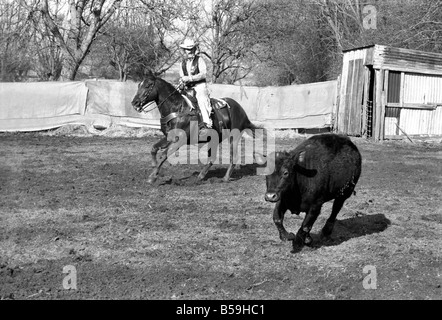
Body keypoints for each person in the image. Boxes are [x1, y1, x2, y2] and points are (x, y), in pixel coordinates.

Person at [179, 39, 212, 134]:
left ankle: (207, 124)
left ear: (194, 49)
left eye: (191, 49)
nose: (189, 51)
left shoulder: (200, 60)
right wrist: (181, 82)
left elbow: (203, 74)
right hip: (187, 88)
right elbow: (182, 76)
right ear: (184, 50)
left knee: (202, 100)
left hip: (199, 86)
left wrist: (190, 78)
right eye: (187, 49)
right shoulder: (182, 63)